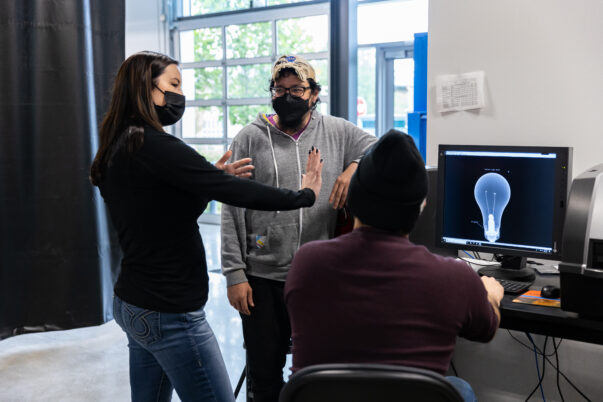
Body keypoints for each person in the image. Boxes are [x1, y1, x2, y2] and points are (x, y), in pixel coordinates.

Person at [89, 51, 323, 402]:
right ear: (146, 90)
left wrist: (207, 181)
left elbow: (163, 212)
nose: (180, 95)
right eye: (173, 84)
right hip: (170, 312)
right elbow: (236, 192)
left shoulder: (121, 143)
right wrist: (302, 196)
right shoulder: (158, 147)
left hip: (133, 303)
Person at [284, 130, 505, 402]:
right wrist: (491, 295)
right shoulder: (454, 277)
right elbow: (487, 329)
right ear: (421, 205)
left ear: (353, 198)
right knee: (459, 389)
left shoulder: (307, 263)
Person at [220, 55, 377, 402]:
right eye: (279, 89)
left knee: (313, 374)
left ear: (314, 93)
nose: (287, 96)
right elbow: (231, 205)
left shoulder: (336, 130)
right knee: (263, 376)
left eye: (297, 89)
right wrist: (234, 273)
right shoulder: (249, 137)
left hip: (317, 277)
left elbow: (380, 147)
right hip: (261, 277)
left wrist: (353, 167)